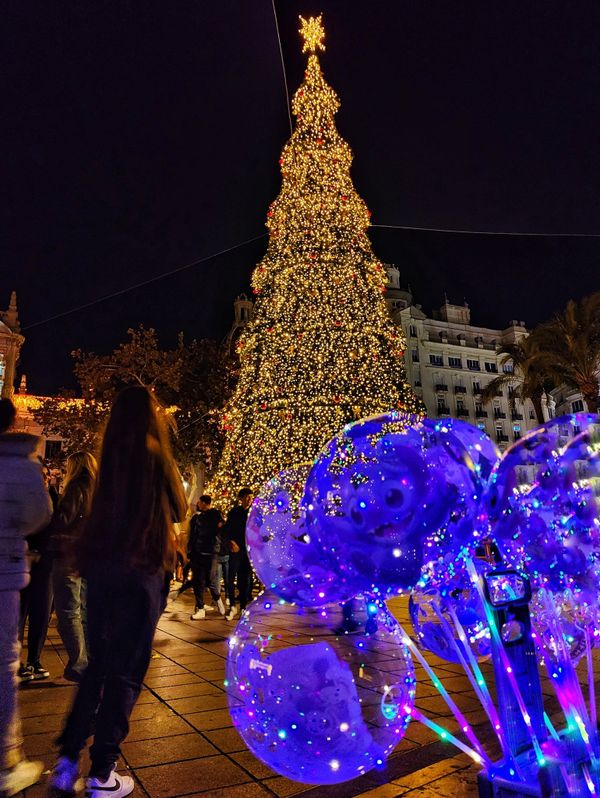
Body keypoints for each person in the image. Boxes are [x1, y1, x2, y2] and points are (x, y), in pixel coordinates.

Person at [49, 386, 187, 798]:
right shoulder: (156, 455)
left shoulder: (108, 457)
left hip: (103, 568)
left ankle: (66, 762)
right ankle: (102, 772)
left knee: (97, 667)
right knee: (125, 672)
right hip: (141, 570)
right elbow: (179, 508)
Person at [0, 398, 52, 796]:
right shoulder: (21, 464)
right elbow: (38, 515)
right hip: (4, 570)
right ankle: (5, 759)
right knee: (4, 662)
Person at [50, 451, 97, 682]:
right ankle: (88, 661)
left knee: (69, 612)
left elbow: (62, 520)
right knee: (84, 611)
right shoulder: (99, 489)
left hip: (69, 554)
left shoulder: (77, 487)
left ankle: (79, 665)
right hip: (89, 556)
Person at [18, 463, 59, 681]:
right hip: (23, 563)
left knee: (41, 614)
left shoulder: (54, 498)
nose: (44, 479)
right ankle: (16, 662)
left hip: (46, 565)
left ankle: (34, 660)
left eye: (46, 475)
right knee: (18, 615)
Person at [188, 496, 225, 619]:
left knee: (210, 580)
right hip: (198, 552)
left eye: (199, 502)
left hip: (211, 552)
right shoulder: (197, 518)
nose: (198, 504)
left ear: (204, 503)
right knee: (198, 581)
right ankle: (200, 608)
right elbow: (193, 535)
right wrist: (190, 551)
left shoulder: (215, 515)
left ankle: (217, 599)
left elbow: (220, 530)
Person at [225, 488, 253, 621]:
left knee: (245, 580)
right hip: (235, 549)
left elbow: (259, 531)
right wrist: (231, 542)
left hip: (248, 551)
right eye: (247, 497)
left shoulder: (255, 513)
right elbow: (227, 530)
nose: (249, 499)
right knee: (230, 579)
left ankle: (243, 606)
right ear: (241, 498)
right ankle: (232, 606)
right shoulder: (234, 512)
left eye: (251, 497)